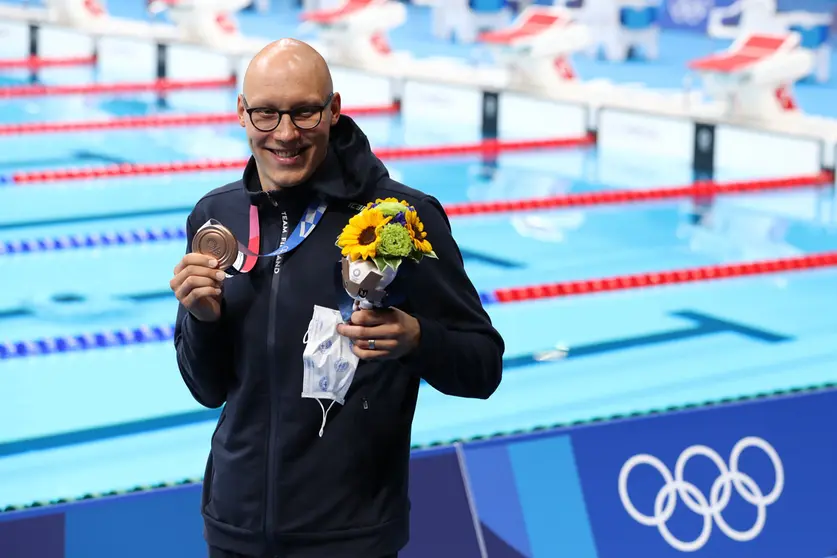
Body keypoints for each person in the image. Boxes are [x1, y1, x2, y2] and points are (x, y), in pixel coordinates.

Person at [169, 38, 504, 558]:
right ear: (241, 113)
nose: (285, 134)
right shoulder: (219, 217)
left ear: (334, 110)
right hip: (234, 530)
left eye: (304, 113)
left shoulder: (398, 219)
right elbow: (207, 390)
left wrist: (418, 339)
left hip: (349, 539)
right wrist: (202, 320)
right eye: (266, 114)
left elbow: (483, 366)